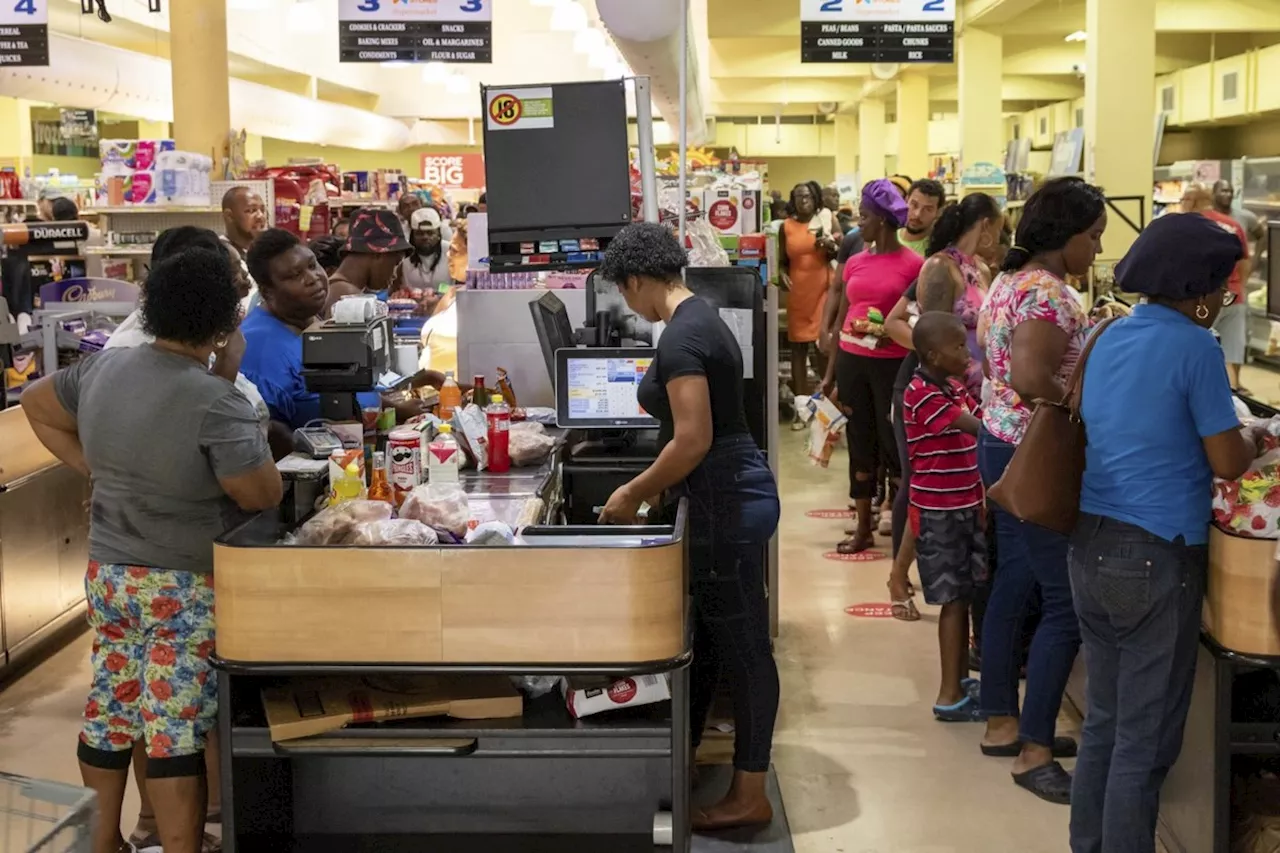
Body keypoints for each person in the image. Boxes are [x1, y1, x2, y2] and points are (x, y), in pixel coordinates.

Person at [21, 247, 281, 853]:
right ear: (224, 326)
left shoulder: (103, 370)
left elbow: (36, 403)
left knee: (112, 707)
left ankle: (102, 842)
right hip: (182, 585)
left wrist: (94, 469)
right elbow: (260, 492)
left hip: (110, 575)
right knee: (174, 727)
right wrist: (226, 374)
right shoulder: (217, 399)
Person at [1069, 213, 1257, 853]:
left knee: (1105, 722)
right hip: (1154, 557)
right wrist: (1255, 437)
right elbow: (1227, 461)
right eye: (1221, 290)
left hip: (1090, 544)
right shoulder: (1195, 348)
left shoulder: (1108, 335)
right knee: (1143, 744)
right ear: (1199, 291)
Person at [597, 223, 780, 832]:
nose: (628, 305)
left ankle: (750, 793)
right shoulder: (700, 317)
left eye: (625, 292)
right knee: (713, 639)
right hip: (730, 489)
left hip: (725, 497)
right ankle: (692, 756)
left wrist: (631, 491)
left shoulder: (680, 336)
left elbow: (693, 438)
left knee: (746, 649)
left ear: (638, 280)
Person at [979, 177, 1107, 804]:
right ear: (1068, 236)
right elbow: (1033, 376)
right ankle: (1033, 752)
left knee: (1016, 581)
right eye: (1093, 237)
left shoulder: (1008, 281)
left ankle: (1003, 718)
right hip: (1036, 454)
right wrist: (1081, 409)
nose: (1097, 250)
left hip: (1000, 444)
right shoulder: (1050, 295)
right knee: (1065, 603)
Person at [882, 193, 1003, 619]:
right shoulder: (939, 268)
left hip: (969, 393)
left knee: (954, 484)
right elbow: (930, 336)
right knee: (920, 485)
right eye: (999, 228)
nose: (999, 238)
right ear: (984, 223)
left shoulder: (983, 270)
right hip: (931, 392)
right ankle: (900, 574)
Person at [241, 228, 427, 456]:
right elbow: (267, 434)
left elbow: (348, 387)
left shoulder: (308, 319)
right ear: (267, 292)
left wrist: (397, 410)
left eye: (312, 265)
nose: (313, 279)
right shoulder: (259, 349)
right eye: (294, 276)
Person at [822, 180, 922, 554]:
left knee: (894, 446)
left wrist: (892, 332)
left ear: (881, 220)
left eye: (864, 217)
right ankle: (862, 527)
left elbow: (918, 317)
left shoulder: (915, 265)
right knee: (859, 443)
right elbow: (844, 319)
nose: (858, 224)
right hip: (852, 361)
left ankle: (899, 531)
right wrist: (831, 372)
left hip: (892, 365)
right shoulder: (857, 262)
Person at [904, 312, 987, 720]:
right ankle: (948, 693)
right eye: (957, 346)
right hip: (941, 513)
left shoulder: (951, 386)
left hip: (965, 505)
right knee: (953, 602)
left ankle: (958, 680)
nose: (965, 351)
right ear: (934, 354)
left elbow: (980, 413)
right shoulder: (921, 393)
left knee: (965, 596)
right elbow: (978, 427)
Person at [779, 183, 837, 407]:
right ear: (793, 200)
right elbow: (783, 261)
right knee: (798, 348)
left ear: (815, 199)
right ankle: (802, 405)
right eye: (799, 197)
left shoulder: (824, 220)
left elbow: (837, 253)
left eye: (808, 197)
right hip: (799, 292)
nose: (804, 201)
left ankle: (826, 403)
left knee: (822, 347)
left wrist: (829, 245)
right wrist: (783, 273)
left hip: (823, 290)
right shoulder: (786, 226)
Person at [1205, 180, 1254, 392]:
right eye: (1223, 190)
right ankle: (1231, 393)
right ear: (1212, 194)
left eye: (1230, 191)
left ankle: (1229, 392)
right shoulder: (1233, 225)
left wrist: (1240, 285)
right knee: (1229, 350)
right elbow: (1244, 258)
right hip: (1224, 293)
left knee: (1221, 348)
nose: (1227, 194)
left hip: (1213, 295)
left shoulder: (1200, 221)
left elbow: (1245, 259)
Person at [324, 207, 414, 313]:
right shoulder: (347, 297)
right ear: (378, 253)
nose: (394, 275)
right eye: (395, 264)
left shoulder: (337, 288)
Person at [400, 206, 452, 294]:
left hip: (445, 302)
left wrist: (436, 293)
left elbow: (457, 287)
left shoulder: (451, 252)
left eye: (430, 233)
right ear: (412, 236)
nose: (425, 237)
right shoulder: (404, 254)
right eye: (419, 233)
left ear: (438, 234)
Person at [900, 179, 946, 256]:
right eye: (914, 205)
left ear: (938, 212)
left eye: (928, 209)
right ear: (906, 200)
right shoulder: (888, 238)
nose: (917, 214)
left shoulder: (939, 250)